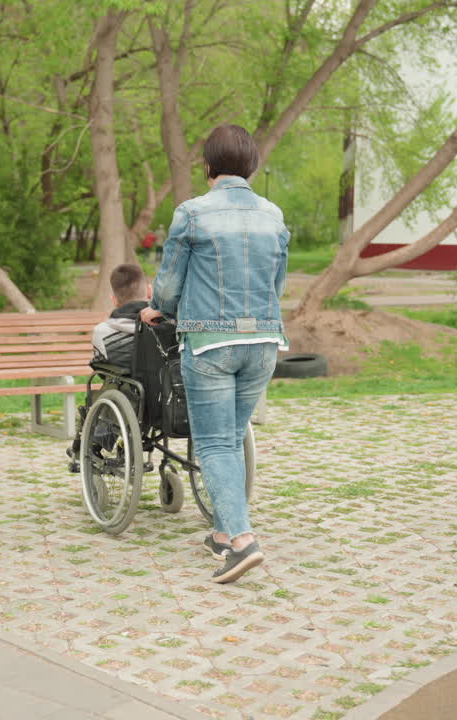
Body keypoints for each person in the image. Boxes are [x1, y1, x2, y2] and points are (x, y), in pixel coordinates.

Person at [140, 124, 289, 584]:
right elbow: (277, 283)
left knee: (217, 442)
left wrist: (157, 310)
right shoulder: (274, 215)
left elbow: (168, 283)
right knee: (233, 433)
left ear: (207, 167)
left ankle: (243, 543)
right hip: (264, 343)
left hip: (210, 342)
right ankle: (223, 533)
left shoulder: (192, 212)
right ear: (253, 167)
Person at [68, 263, 152, 471]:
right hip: (165, 402)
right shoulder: (167, 326)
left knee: (102, 390)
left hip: (127, 401)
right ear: (149, 291)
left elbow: (102, 367)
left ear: (114, 300)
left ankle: (87, 446)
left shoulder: (102, 331)